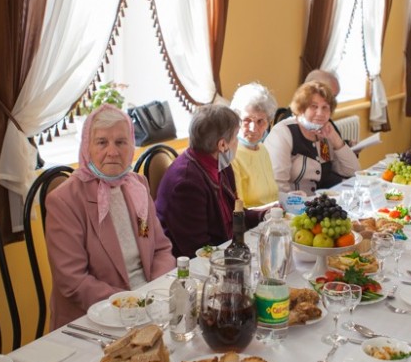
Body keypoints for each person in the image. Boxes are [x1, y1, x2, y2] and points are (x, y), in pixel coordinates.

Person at [45, 105, 174, 329]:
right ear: (87, 146)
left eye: (121, 142)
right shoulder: (64, 200)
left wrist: (152, 293)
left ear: (131, 145)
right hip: (94, 319)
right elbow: (73, 281)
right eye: (102, 142)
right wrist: (132, 303)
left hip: (148, 306)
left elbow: (160, 248)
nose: (112, 151)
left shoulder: (137, 186)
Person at [156, 104, 261, 258]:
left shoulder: (221, 164)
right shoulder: (186, 183)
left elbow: (235, 214)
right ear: (222, 144)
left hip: (225, 250)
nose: (237, 142)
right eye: (236, 136)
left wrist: (264, 216)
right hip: (194, 265)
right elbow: (198, 250)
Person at [264, 81, 360, 196]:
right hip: (296, 207)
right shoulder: (283, 132)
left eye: (325, 107)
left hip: (325, 203)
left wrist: (335, 139)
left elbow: (352, 171)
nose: (320, 113)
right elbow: (278, 185)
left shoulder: (325, 131)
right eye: (314, 106)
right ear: (301, 108)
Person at [228, 82, 279, 208]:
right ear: (236, 120)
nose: (253, 128)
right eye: (247, 120)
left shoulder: (262, 148)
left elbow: (271, 196)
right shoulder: (231, 156)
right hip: (251, 224)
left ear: (268, 122)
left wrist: (289, 198)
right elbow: (238, 209)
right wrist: (274, 208)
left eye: (260, 121)